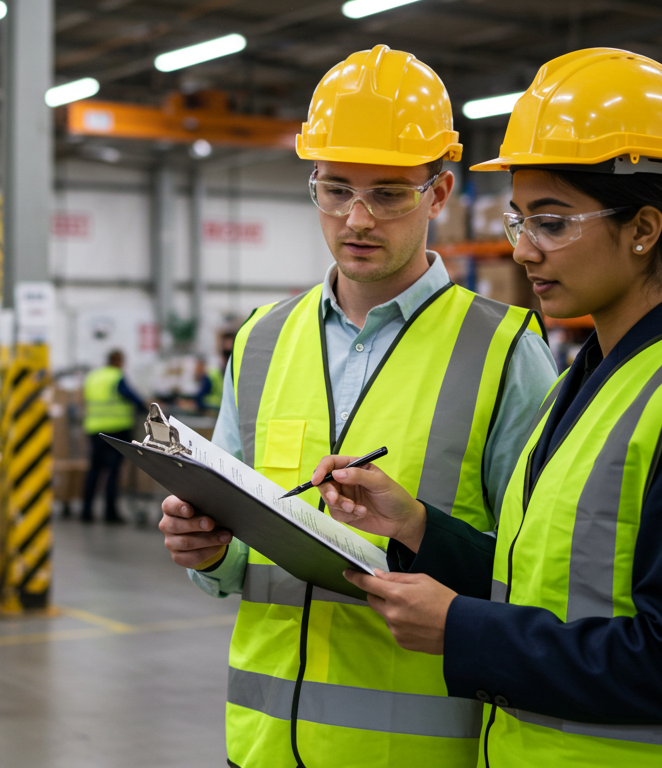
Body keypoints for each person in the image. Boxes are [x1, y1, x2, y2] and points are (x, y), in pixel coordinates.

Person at [315, 48, 662, 767]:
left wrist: (462, 631)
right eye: (518, 222)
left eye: (552, 222)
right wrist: (413, 524)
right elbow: (537, 585)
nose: (526, 252)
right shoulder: (586, 386)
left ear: (643, 229)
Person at [156, 45, 559, 766]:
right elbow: (235, 531)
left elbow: (536, 577)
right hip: (261, 745)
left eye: (389, 193)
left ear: (439, 193)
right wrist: (209, 551)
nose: (357, 218)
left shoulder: (504, 351)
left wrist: (415, 530)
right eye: (335, 189)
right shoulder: (260, 341)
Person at [81, 349, 146, 524]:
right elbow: (129, 396)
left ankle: (86, 511)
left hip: (94, 429)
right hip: (117, 429)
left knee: (94, 470)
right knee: (112, 470)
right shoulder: (116, 376)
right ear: (119, 361)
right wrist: (144, 407)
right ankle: (110, 512)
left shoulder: (93, 377)